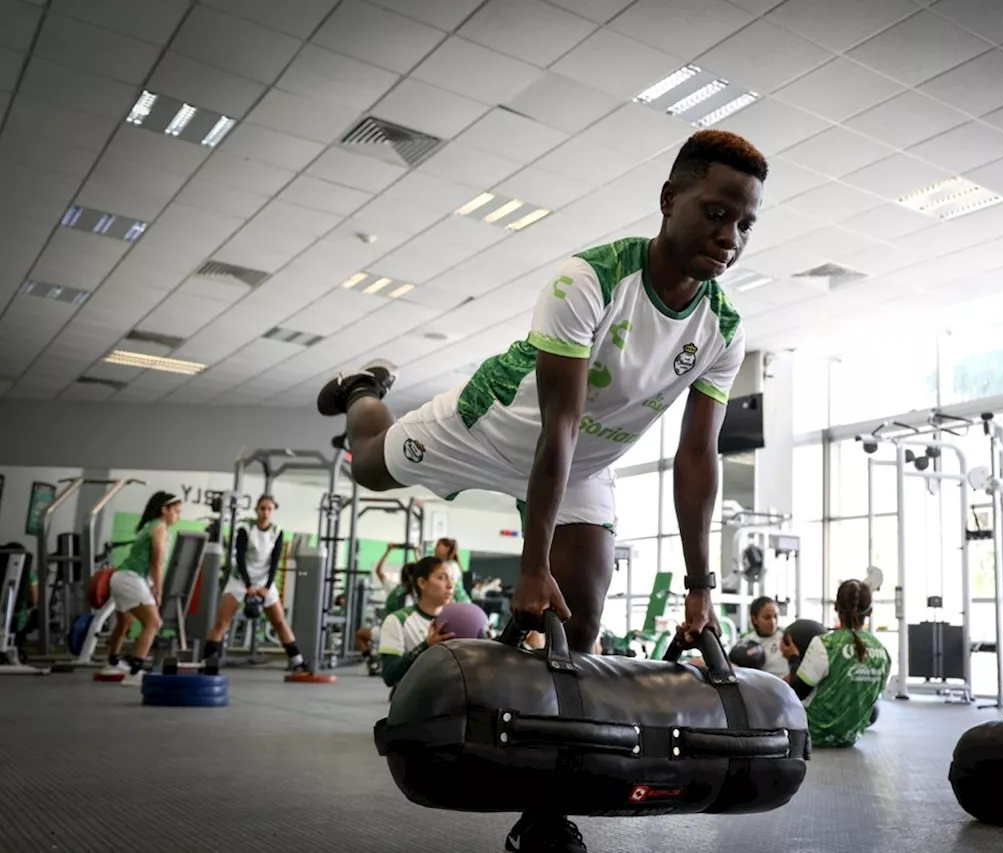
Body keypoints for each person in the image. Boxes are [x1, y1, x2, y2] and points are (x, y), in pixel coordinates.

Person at [315, 129, 765, 853]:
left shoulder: (724, 327)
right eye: (716, 212)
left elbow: (696, 458)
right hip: (495, 425)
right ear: (670, 199)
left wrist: (700, 585)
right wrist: (529, 565)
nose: (730, 236)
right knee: (368, 461)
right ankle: (363, 389)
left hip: (584, 462)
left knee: (581, 616)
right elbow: (556, 423)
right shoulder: (587, 279)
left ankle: (541, 804)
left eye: (745, 223)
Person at [201, 496, 310, 674]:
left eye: (269, 509)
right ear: (256, 510)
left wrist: (266, 586)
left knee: (280, 622)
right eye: (262, 508)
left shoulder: (277, 531)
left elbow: (275, 561)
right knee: (222, 622)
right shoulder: (246, 529)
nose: (265, 512)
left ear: (273, 511)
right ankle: (207, 661)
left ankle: (297, 661)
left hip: (264, 580)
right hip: (240, 579)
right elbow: (240, 557)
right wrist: (248, 584)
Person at [782, 580, 889, 747]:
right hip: (851, 737)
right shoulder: (883, 652)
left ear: (836, 608)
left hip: (813, 734)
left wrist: (794, 659)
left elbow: (796, 695)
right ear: (870, 612)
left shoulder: (825, 644)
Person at [108, 491, 179, 684]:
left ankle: (112, 663)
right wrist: (159, 590)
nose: (177, 516)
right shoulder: (159, 528)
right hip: (132, 579)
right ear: (164, 509)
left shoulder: (148, 525)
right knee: (154, 624)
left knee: (125, 624)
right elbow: (156, 563)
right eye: (176, 511)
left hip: (120, 577)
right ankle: (134, 672)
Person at [377, 557, 456, 690]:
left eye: (452, 578)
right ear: (422, 583)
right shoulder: (398, 620)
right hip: (416, 703)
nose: (450, 585)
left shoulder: (459, 619)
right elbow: (390, 676)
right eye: (442, 578)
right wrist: (425, 647)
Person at [356, 543, 418, 674]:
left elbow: (379, 570)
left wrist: (388, 550)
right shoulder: (419, 591)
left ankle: (370, 661)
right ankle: (375, 663)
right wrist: (416, 552)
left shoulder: (395, 589)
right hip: (402, 632)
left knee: (360, 634)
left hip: (391, 632)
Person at [738, 596, 789, 678]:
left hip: (786, 686)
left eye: (775, 616)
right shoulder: (746, 641)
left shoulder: (787, 637)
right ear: (755, 619)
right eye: (767, 617)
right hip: (761, 686)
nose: (773, 622)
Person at [434, 537, 470, 603]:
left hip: (460, 603)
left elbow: (451, 588)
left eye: (438, 545)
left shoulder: (452, 566)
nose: (435, 548)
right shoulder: (442, 564)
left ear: (446, 548)